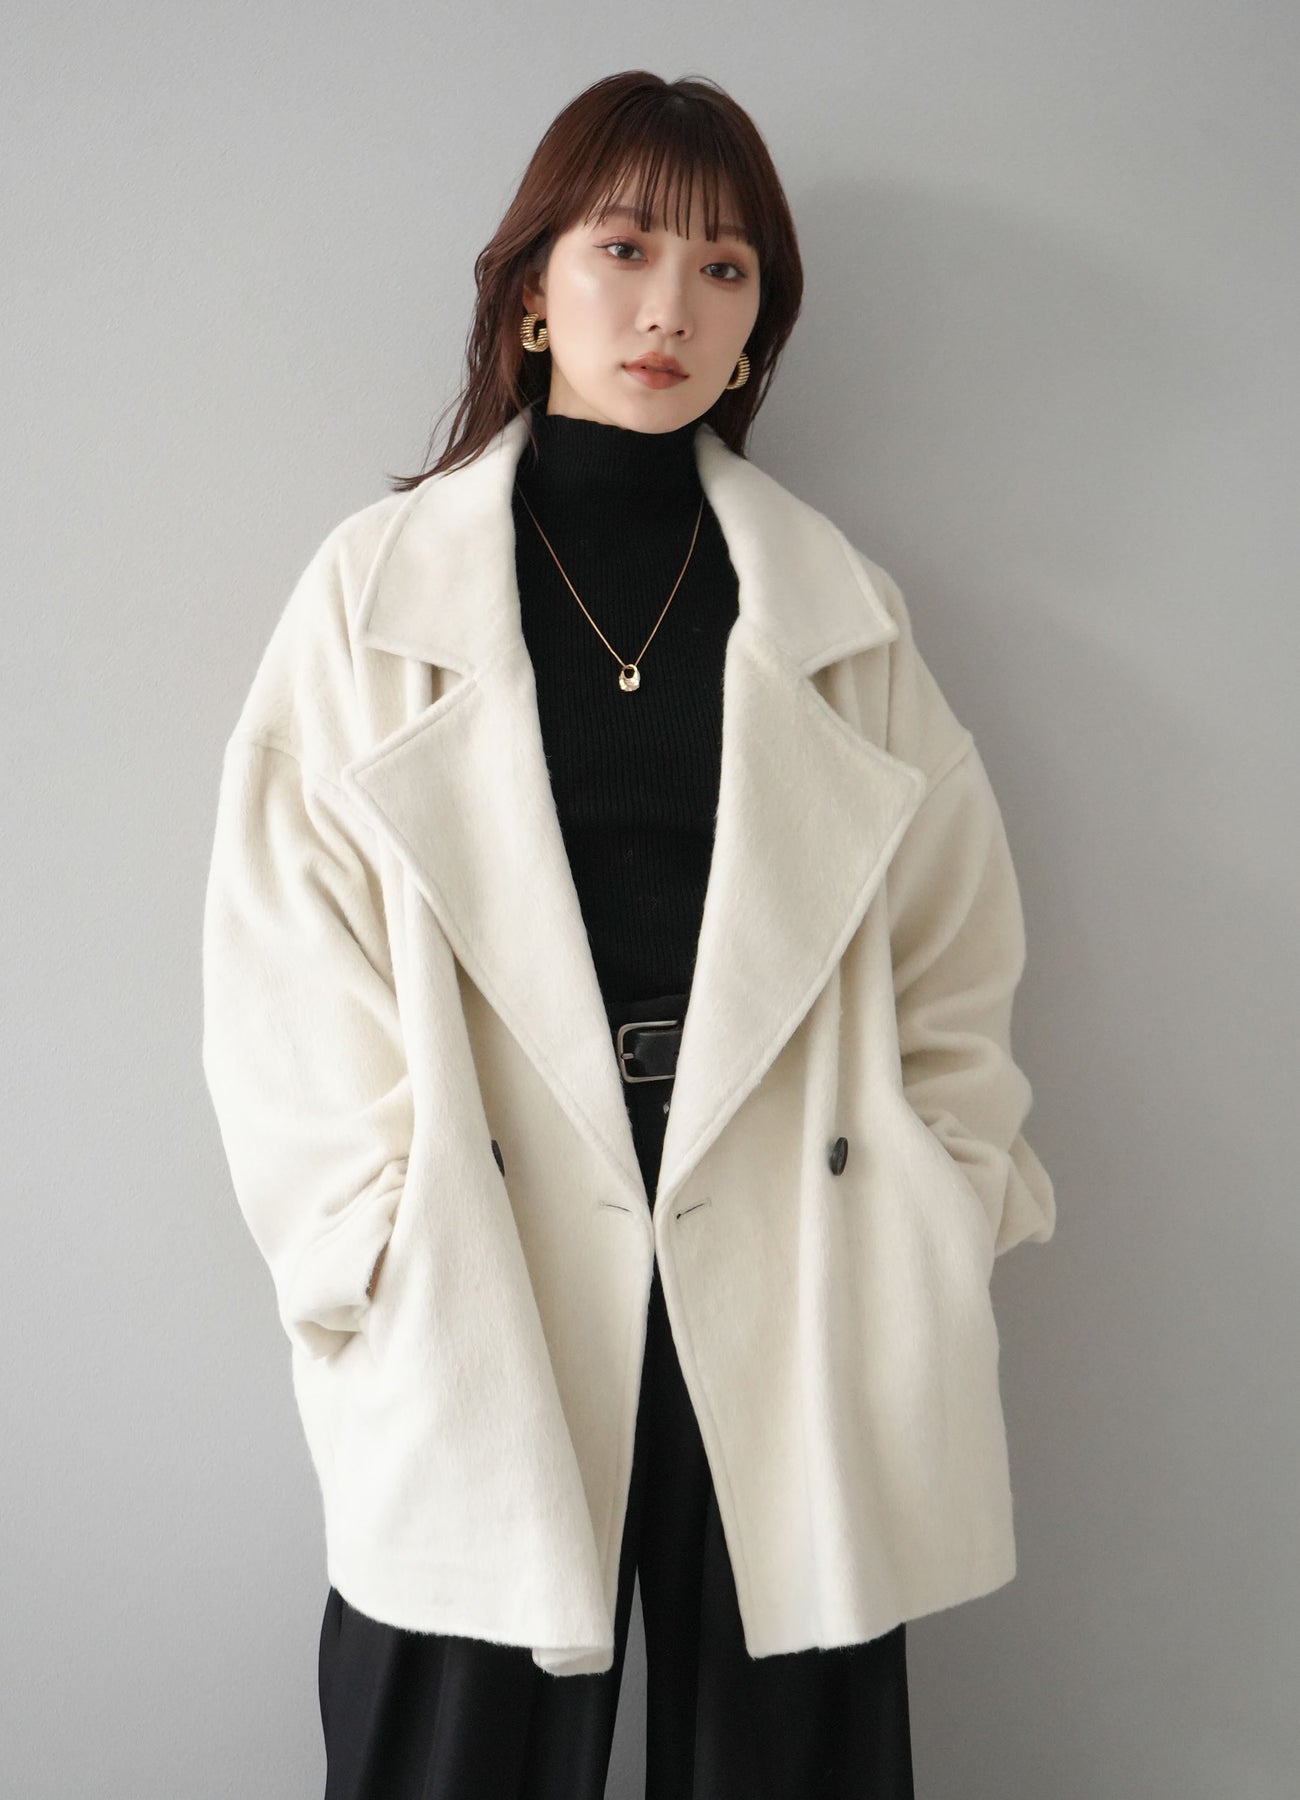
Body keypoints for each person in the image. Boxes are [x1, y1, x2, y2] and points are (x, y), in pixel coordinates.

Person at [201, 68, 1055, 1800]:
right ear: (533, 287)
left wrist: (945, 1196)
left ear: (757, 327)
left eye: (725, 268)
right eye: (624, 247)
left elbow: (953, 948)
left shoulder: (838, 611)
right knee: (449, 1748)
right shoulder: (377, 594)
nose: (670, 306)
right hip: (482, 1249)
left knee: (793, 1758)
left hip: (798, 1241)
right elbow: (281, 945)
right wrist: (369, 1241)